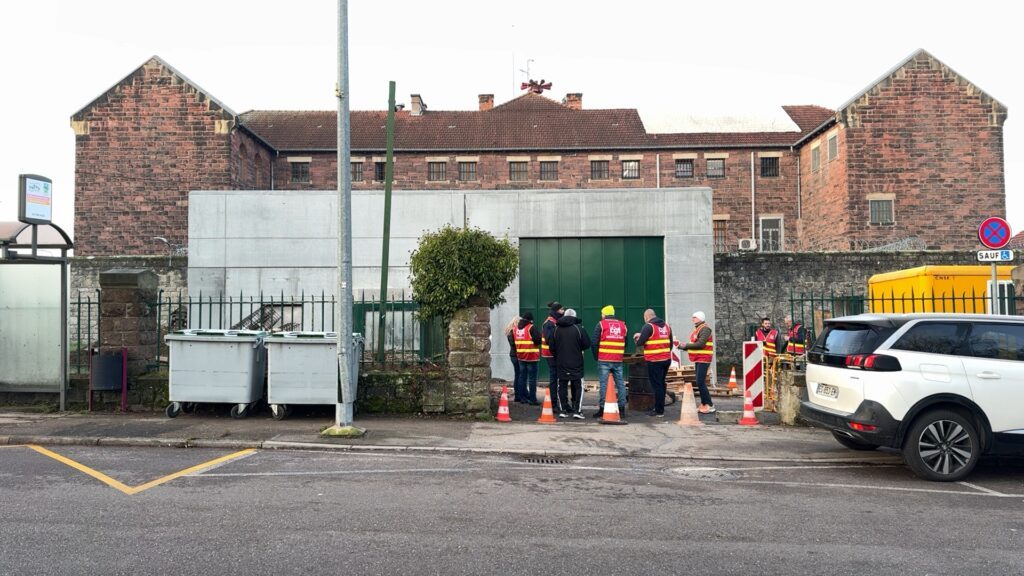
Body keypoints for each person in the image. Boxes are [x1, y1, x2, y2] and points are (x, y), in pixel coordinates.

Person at [549, 308, 591, 419]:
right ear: (574, 317)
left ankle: (563, 410)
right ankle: (577, 410)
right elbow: (587, 344)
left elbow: (551, 347)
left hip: (561, 363)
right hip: (576, 363)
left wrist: (558, 356)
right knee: (578, 387)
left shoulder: (556, 329)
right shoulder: (579, 329)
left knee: (561, 386)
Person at [634, 308, 672, 417]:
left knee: (657, 386)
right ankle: (660, 407)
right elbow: (671, 345)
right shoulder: (666, 326)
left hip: (654, 361)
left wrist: (637, 337)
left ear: (646, 317)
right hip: (666, 360)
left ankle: (659, 411)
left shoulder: (648, 326)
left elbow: (640, 343)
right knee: (661, 384)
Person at [591, 304, 627, 418]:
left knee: (604, 384)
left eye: (602, 314)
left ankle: (602, 409)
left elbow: (594, 342)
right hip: (618, 359)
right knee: (620, 384)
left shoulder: (601, 325)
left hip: (604, 359)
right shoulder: (623, 325)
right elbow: (625, 343)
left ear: (604, 314)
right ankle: (622, 410)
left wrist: (597, 356)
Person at [677, 311, 715, 414]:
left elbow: (701, 344)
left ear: (700, 318)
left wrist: (686, 346)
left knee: (700, 382)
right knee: (699, 381)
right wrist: (682, 346)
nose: (692, 319)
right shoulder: (698, 329)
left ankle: (710, 405)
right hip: (699, 358)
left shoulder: (705, 329)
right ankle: (704, 404)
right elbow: (695, 344)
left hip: (704, 358)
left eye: (694, 317)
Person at [512, 311, 542, 405]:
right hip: (531, 357)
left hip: (521, 357)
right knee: (532, 379)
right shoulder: (531, 328)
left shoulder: (515, 329)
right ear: (530, 320)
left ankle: (522, 398)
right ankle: (532, 400)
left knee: (522, 377)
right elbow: (538, 340)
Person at [541, 301, 564, 407]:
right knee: (554, 378)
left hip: (554, 354)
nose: (563, 311)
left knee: (556, 378)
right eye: (561, 309)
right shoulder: (550, 323)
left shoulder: (555, 321)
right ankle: (553, 402)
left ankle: (555, 401)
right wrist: (557, 352)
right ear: (556, 311)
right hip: (551, 354)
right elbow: (550, 339)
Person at [504, 316, 522, 401]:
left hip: (513, 355)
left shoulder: (509, 331)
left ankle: (518, 394)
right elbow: (515, 344)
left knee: (517, 374)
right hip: (516, 355)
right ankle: (518, 395)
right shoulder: (514, 332)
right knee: (519, 374)